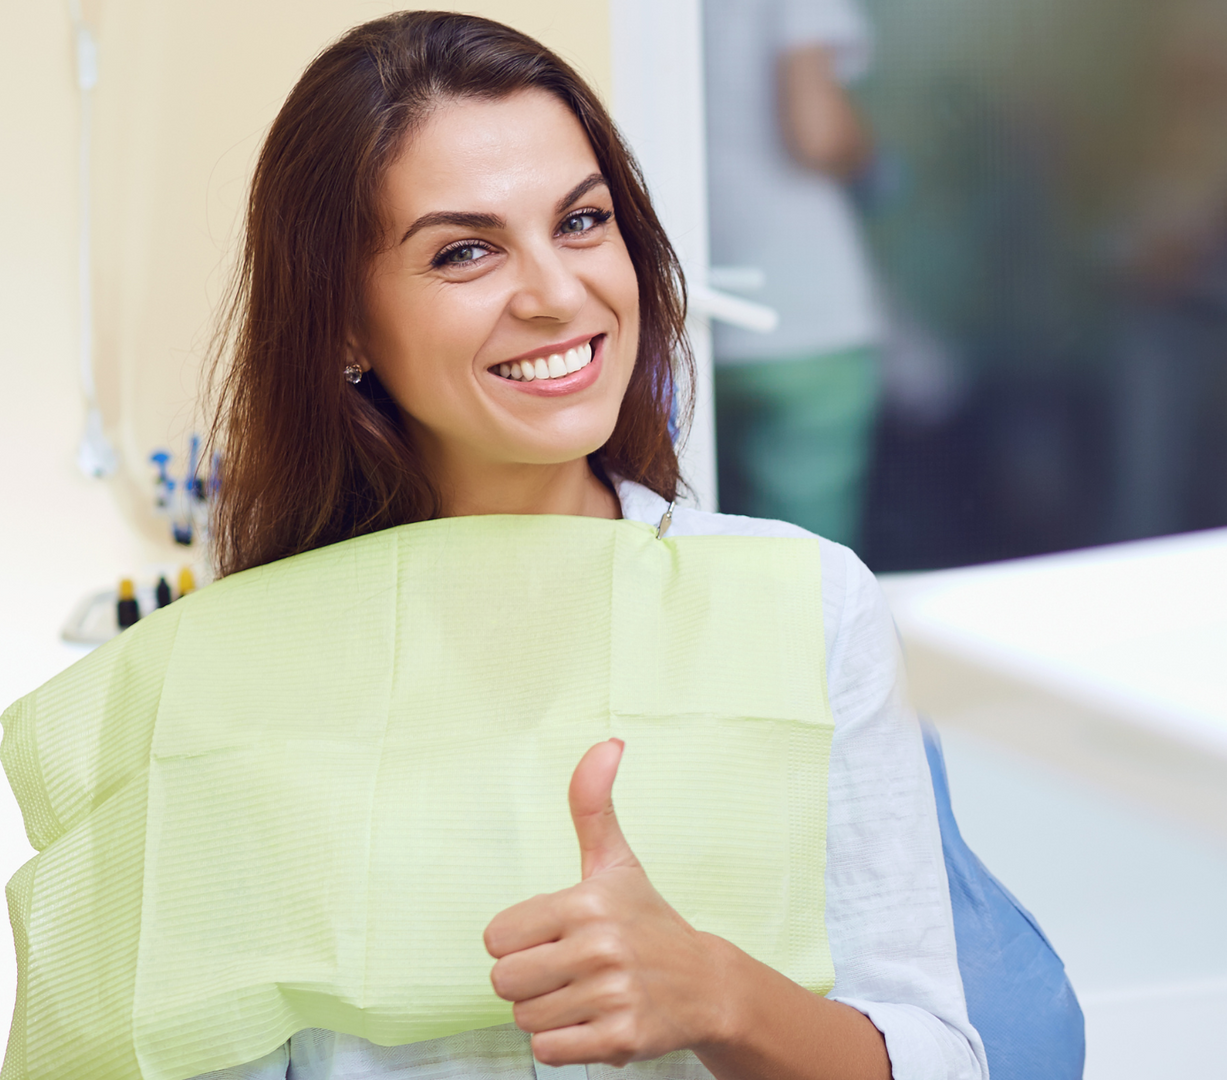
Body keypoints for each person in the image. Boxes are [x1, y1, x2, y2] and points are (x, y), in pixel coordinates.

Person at [83, 13, 979, 1080]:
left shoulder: (809, 606)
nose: (557, 293)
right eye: (465, 250)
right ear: (343, 324)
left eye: (584, 221)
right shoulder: (222, 687)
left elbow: (938, 1058)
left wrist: (717, 993)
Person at [705, 0, 885, 549]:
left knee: (715, 547)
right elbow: (817, 133)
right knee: (811, 573)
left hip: (695, 303)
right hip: (805, 317)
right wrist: (871, 157)